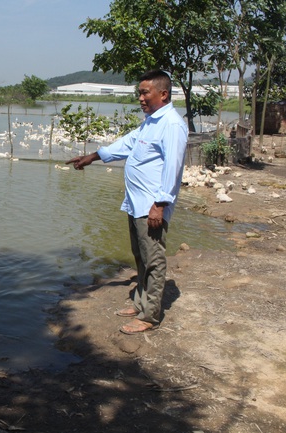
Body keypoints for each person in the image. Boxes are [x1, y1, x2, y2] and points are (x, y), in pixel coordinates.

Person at [66, 69, 188, 334]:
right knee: (141, 257)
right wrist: (93, 157)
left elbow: (173, 168)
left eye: (146, 92)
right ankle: (140, 302)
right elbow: (126, 144)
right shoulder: (150, 122)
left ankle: (149, 316)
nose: (141, 98)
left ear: (163, 94)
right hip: (137, 203)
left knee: (154, 260)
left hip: (152, 206)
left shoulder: (172, 125)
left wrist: (160, 204)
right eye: (140, 93)